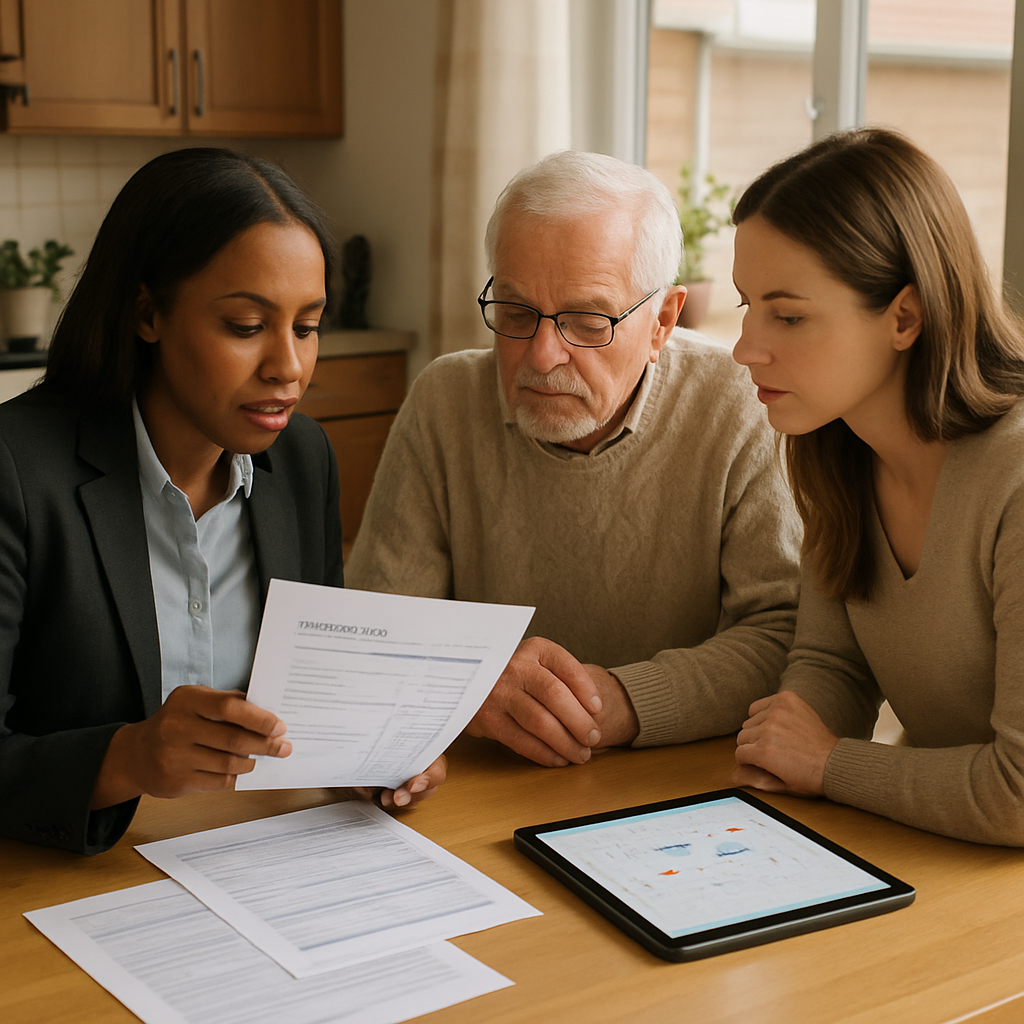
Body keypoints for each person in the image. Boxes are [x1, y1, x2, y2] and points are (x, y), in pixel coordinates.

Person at [0, 148, 445, 855]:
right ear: (147, 312)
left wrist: (365, 754)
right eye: (245, 326)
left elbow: (310, 688)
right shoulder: (17, 471)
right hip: (71, 882)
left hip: (259, 856)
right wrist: (129, 757)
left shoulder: (302, 459)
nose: (289, 368)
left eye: (307, 326)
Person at [346, 150, 801, 767]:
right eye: (514, 313)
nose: (540, 356)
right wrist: (465, 683)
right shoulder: (444, 401)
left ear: (662, 322)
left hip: (676, 780)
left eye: (587, 322)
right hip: (479, 776)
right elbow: (377, 629)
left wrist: (618, 701)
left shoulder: (740, 403)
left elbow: (782, 633)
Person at [730, 127, 1024, 846]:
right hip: (945, 850)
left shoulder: (1015, 481)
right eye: (747, 306)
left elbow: (1018, 794)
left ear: (904, 316)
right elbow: (835, 660)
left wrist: (826, 764)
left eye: (789, 315)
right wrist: (780, 752)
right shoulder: (838, 449)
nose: (745, 350)